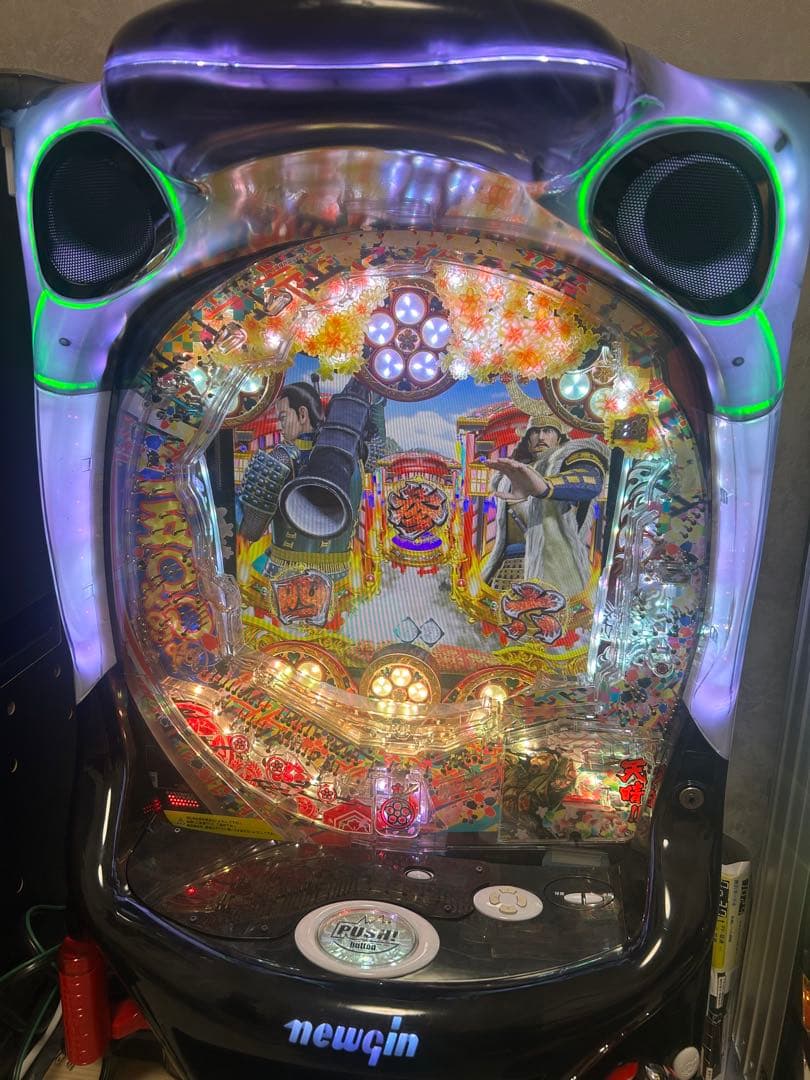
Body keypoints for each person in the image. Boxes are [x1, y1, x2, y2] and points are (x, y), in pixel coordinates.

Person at [481, 419, 608, 598]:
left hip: (554, 572)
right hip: (504, 569)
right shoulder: (511, 474)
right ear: (528, 439)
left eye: (548, 430)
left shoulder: (568, 459)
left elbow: (589, 480)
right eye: (535, 431)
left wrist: (545, 487)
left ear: (559, 437)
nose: (541, 437)